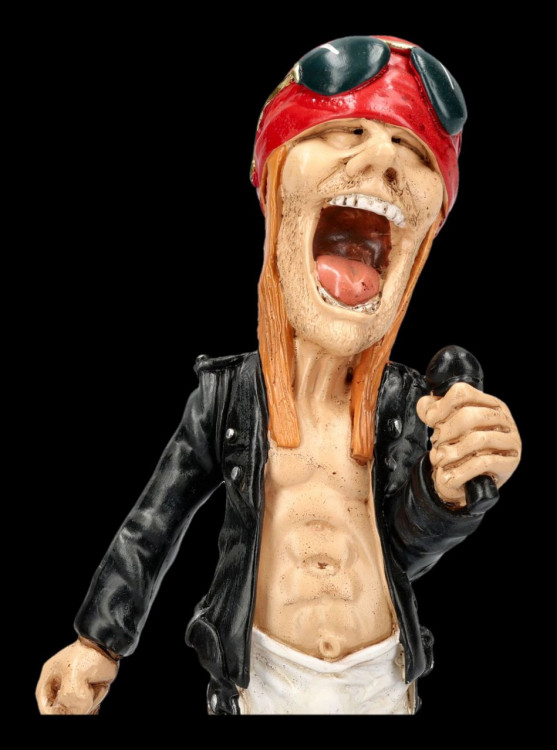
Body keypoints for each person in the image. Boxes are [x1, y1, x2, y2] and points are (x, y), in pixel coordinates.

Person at [36, 34, 521, 715]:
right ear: (275, 192)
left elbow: (400, 552)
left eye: (411, 150)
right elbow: (153, 524)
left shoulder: (408, 404)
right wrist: (97, 642)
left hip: (380, 678)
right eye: (347, 131)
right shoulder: (227, 397)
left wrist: (448, 494)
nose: (381, 157)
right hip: (263, 677)